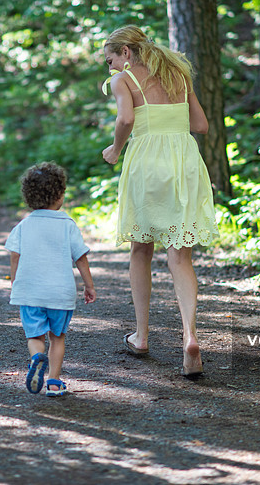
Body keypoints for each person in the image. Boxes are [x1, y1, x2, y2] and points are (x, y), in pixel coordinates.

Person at [100, 25, 219, 378]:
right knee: (181, 256)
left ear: (125, 53)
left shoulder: (124, 80)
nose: (109, 68)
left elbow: (126, 118)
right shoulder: (179, 75)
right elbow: (201, 125)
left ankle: (141, 336)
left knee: (141, 249)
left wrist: (116, 148)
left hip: (148, 162)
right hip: (185, 162)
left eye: (110, 59)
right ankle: (190, 337)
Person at [5, 162, 97, 396]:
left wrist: (15, 282)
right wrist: (89, 285)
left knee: (34, 335)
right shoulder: (67, 225)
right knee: (57, 337)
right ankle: (54, 382)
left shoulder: (24, 225)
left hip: (30, 291)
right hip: (60, 293)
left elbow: (15, 256)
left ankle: (37, 357)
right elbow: (81, 257)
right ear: (59, 196)